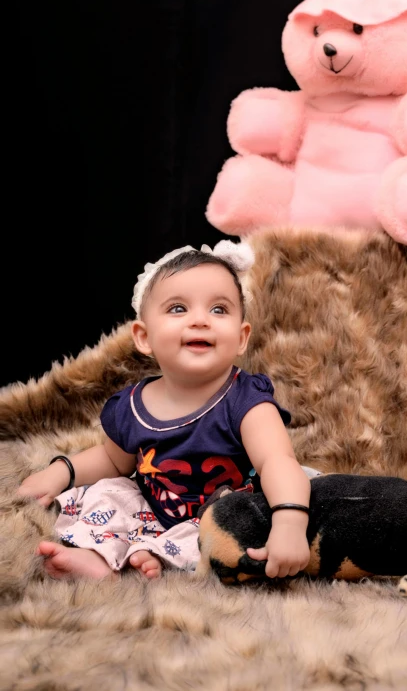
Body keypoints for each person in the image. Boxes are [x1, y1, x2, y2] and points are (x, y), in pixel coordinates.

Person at [17, 241, 312, 581]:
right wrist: (61, 471)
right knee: (106, 494)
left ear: (242, 337)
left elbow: (277, 461)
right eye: (177, 309)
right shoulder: (132, 406)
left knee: (244, 526)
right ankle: (99, 559)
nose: (200, 320)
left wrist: (290, 521)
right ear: (144, 337)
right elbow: (114, 462)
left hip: (224, 510)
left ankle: (148, 556)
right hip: (154, 511)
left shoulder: (246, 400)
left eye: (219, 310)